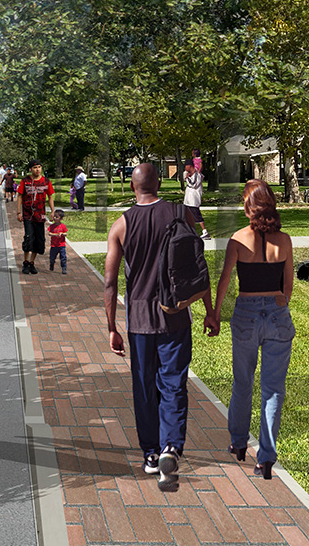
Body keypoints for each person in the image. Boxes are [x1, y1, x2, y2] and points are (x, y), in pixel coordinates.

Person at [102, 163, 219, 491]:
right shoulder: (182, 214)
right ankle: (171, 446)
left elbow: (110, 283)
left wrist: (111, 326)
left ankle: (152, 454)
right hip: (176, 316)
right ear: (160, 183)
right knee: (173, 385)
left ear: (131, 186)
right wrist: (209, 311)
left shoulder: (121, 225)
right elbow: (198, 267)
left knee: (144, 390)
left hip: (139, 322)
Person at [211, 179, 295, 480]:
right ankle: (266, 458)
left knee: (242, 383)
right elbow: (288, 286)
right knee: (273, 390)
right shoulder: (284, 241)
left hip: (245, 314)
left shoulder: (237, 239)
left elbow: (224, 282)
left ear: (249, 207)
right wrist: (279, 301)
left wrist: (216, 314)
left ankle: (237, 442)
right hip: (277, 315)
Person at [16, 160, 55, 275]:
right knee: (28, 238)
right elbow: (19, 196)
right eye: (35, 168)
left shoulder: (46, 181)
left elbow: (50, 196)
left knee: (39, 240)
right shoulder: (25, 181)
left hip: (40, 215)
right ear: (30, 169)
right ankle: (25, 262)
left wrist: (52, 211)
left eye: (39, 167)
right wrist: (19, 212)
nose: (37, 169)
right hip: (28, 215)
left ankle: (32, 263)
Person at [182, 164, 209, 239]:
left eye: (186, 166)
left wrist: (187, 178)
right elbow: (185, 177)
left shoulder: (198, 175)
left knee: (197, 216)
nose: (185, 168)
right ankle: (189, 232)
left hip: (193, 200)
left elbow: (193, 185)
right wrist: (187, 175)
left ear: (190, 166)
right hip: (188, 200)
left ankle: (205, 232)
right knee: (187, 216)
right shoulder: (191, 174)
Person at [47, 209, 68, 274]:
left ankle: (64, 268)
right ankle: (52, 264)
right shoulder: (52, 226)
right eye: (54, 216)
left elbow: (66, 233)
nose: (55, 218)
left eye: (57, 217)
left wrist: (62, 234)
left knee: (63, 257)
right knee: (52, 257)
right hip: (54, 245)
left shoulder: (63, 226)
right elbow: (49, 233)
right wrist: (56, 234)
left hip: (61, 245)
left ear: (61, 219)